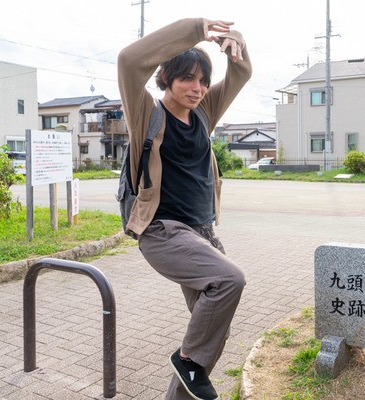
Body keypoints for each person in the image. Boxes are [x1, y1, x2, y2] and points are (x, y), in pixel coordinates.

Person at [117, 18, 252, 400]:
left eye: (203, 80)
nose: (197, 88)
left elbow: (242, 72)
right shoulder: (146, 113)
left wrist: (232, 40)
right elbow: (129, 61)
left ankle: (181, 387)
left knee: (211, 327)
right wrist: (196, 30)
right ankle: (188, 361)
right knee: (229, 281)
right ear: (166, 78)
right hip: (162, 232)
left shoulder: (204, 111)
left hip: (201, 233)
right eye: (187, 79)